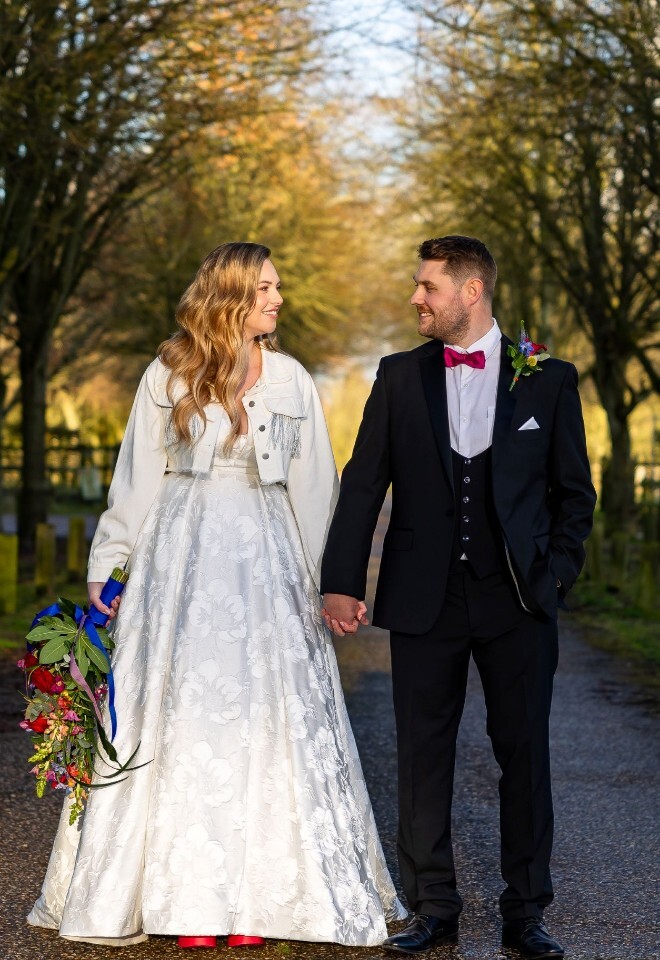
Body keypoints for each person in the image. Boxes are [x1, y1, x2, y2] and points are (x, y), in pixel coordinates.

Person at [28, 242, 405, 949]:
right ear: (232, 293)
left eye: (278, 286)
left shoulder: (291, 378)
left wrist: (333, 584)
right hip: (180, 561)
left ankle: (261, 901)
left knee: (265, 721)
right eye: (267, 286)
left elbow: (317, 485)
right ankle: (189, 903)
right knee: (181, 719)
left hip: (267, 563)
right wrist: (109, 563)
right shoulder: (166, 373)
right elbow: (136, 476)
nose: (279, 298)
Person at [321, 236, 596, 959]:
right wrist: (343, 581)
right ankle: (432, 907)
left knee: (525, 754)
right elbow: (363, 482)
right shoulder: (398, 375)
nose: (416, 298)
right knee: (422, 755)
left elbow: (575, 496)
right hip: (423, 597)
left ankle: (526, 911)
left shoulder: (549, 379)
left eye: (428, 287)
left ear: (470, 293)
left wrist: (556, 574)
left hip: (518, 603)